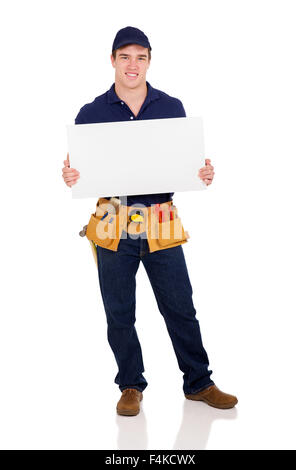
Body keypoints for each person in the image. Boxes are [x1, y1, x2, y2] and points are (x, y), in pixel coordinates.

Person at [62, 26, 238, 416]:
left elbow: (185, 165)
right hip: (112, 221)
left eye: (140, 57)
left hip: (161, 218)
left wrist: (202, 173)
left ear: (149, 62)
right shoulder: (91, 113)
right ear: (112, 60)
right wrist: (72, 175)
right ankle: (130, 385)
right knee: (119, 312)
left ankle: (199, 382)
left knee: (180, 307)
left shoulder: (171, 107)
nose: (132, 64)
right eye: (125, 56)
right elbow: (80, 170)